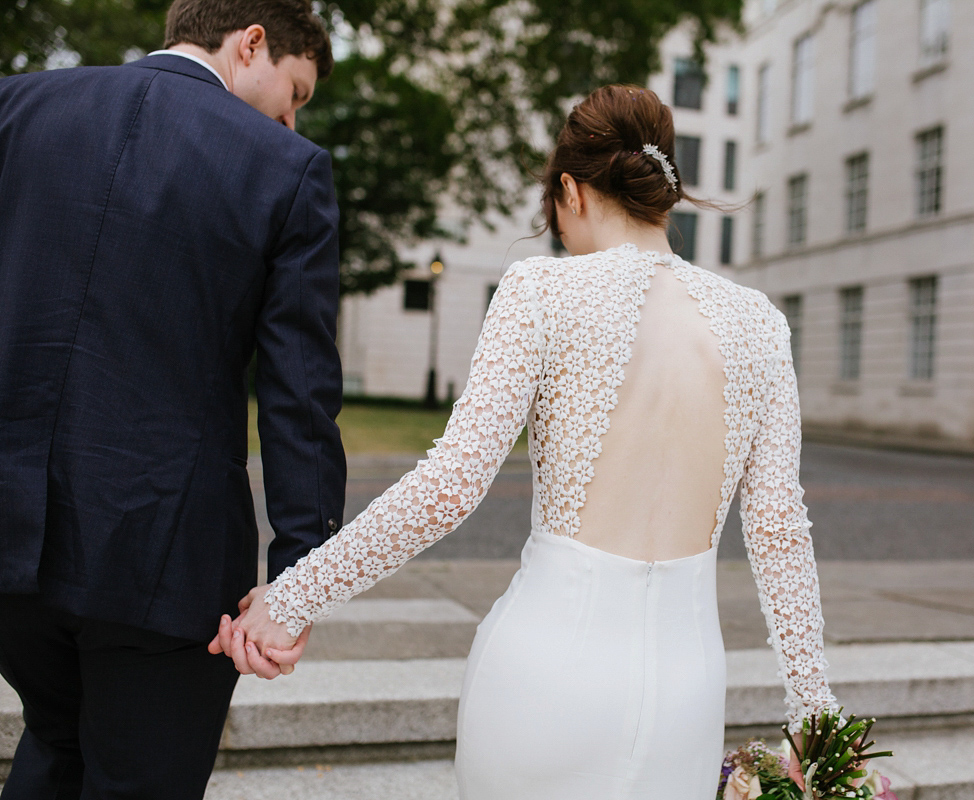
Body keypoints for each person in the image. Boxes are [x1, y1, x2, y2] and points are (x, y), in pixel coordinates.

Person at [217, 85, 838, 798]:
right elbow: (780, 532)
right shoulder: (760, 324)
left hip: (546, 673)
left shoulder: (542, 291)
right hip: (686, 695)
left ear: (570, 191)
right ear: (664, 194)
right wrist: (815, 722)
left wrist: (291, 599)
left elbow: (449, 487)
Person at [0, 1, 346, 796]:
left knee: (54, 745)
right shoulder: (285, 170)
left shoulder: (16, 109)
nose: (290, 123)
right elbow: (298, 395)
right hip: (163, 559)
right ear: (250, 41)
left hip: (12, 544)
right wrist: (298, 580)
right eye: (293, 93)